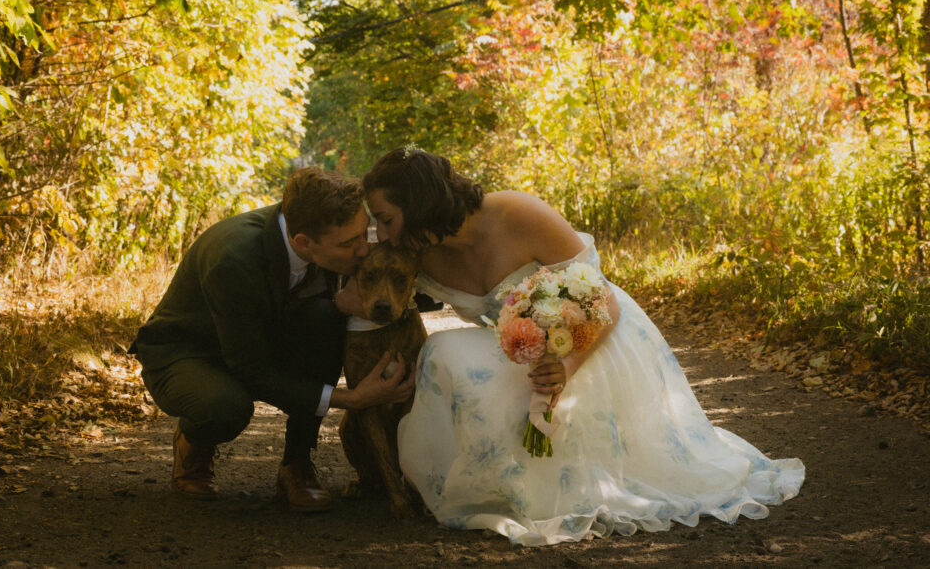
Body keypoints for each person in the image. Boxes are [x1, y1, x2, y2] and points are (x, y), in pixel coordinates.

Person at [362, 147, 804, 546]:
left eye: (385, 218)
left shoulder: (516, 213)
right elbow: (352, 260)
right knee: (446, 352)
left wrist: (569, 365)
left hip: (592, 337)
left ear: (418, 205)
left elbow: (602, 301)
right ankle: (494, 482)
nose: (380, 233)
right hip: (519, 350)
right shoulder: (417, 251)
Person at [130, 167, 414, 512]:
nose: (362, 251)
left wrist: (343, 302)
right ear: (304, 244)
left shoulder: (323, 233)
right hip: (190, 353)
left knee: (326, 320)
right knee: (224, 407)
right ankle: (194, 443)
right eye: (349, 243)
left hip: (259, 338)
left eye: (362, 235)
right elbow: (249, 368)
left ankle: (297, 464)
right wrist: (352, 398)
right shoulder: (233, 258)